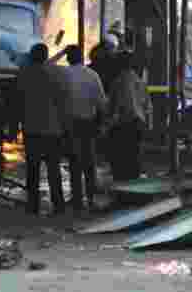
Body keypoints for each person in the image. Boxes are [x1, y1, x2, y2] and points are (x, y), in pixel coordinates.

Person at [13, 43, 68, 215]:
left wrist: (15, 126)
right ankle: (58, 206)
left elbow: (18, 102)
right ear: (45, 55)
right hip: (53, 129)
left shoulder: (24, 74)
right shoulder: (58, 73)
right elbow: (63, 100)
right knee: (53, 170)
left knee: (33, 170)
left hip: (31, 129)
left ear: (31, 56)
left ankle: (32, 206)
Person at [58, 44, 108, 213]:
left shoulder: (63, 75)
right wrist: (101, 125)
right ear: (81, 57)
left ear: (68, 58)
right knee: (89, 164)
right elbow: (102, 104)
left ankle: (77, 200)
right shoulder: (92, 75)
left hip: (69, 125)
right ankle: (91, 199)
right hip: (88, 124)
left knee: (74, 163)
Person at [105, 51, 151, 185]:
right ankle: (133, 193)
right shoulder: (139, 81)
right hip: (137, 125)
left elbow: (120, 108)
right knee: (134, 162)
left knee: (121, 163)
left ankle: (124, 194)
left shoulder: (119, 82)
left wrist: (108, 126)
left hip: (124, 126)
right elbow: (147, 106)